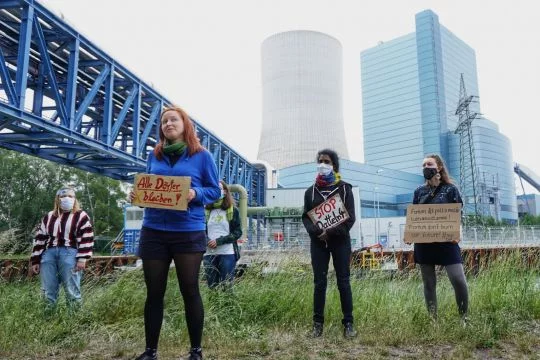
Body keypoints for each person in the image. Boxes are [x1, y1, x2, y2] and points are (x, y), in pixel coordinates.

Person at [132, 106, 220, 360]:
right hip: (154, 231)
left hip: (188, 232)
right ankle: (150, 351)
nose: (168, 124)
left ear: (185, 124)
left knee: (190, 289)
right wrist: (139, 196)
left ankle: (196, 351)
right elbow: (149, 188)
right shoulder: (154, 155)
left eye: (174, 119)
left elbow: (215, 191)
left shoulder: (202, 156)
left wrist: (196, 194)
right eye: (164, 121)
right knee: (154, 293)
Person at [301, 149, 357, 338]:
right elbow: (306, 218)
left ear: (334, 165)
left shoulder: (344, 189)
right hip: (318, 243)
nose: (323, 164)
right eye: (320, 161)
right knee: (319, 283)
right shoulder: (310, 192)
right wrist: (318, 232)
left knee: (343, 282)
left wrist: (330, 232)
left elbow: (349, 218)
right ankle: (317, 324)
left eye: (327, 161)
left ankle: (348, 323)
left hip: (340, 242)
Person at [412, 154, 468, 320]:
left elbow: (459, 214)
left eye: (429, 164)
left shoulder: (451, 189)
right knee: (429, 283)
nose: (425, 168)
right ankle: (433, 320)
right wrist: (410, 234)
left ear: (439, 167)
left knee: (458, 279)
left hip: (447, 241)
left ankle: (463, 317)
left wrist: (458, 233)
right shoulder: (419, 191)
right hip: (425, 242)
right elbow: (415, 215)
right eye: (423, 165)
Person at [30, 187, 94, 309]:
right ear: (57, 199)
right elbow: (40, 238)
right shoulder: (48, 216)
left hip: (70, 252)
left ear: (75, 199)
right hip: (49, 253)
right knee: (48, 290)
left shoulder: (81, 216)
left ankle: (74, 320)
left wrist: (82, 259)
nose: (67, 199)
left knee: (72, 290)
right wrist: (36, 260)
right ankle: (48, 318)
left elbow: (87, 236)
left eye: (70, 196)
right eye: (63, 196)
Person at [203, 180, 242, 289]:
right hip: (208, 254)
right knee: (212, 288)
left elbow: (238, 232)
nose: (216, 191)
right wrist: (207, 241)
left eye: (219, 189)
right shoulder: (206, 210)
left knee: (227, 287)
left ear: (225, 192)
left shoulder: (233, 211)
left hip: (227, 253)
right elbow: (200, 231)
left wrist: (219, 241)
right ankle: (215, 307)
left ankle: (227, 307)